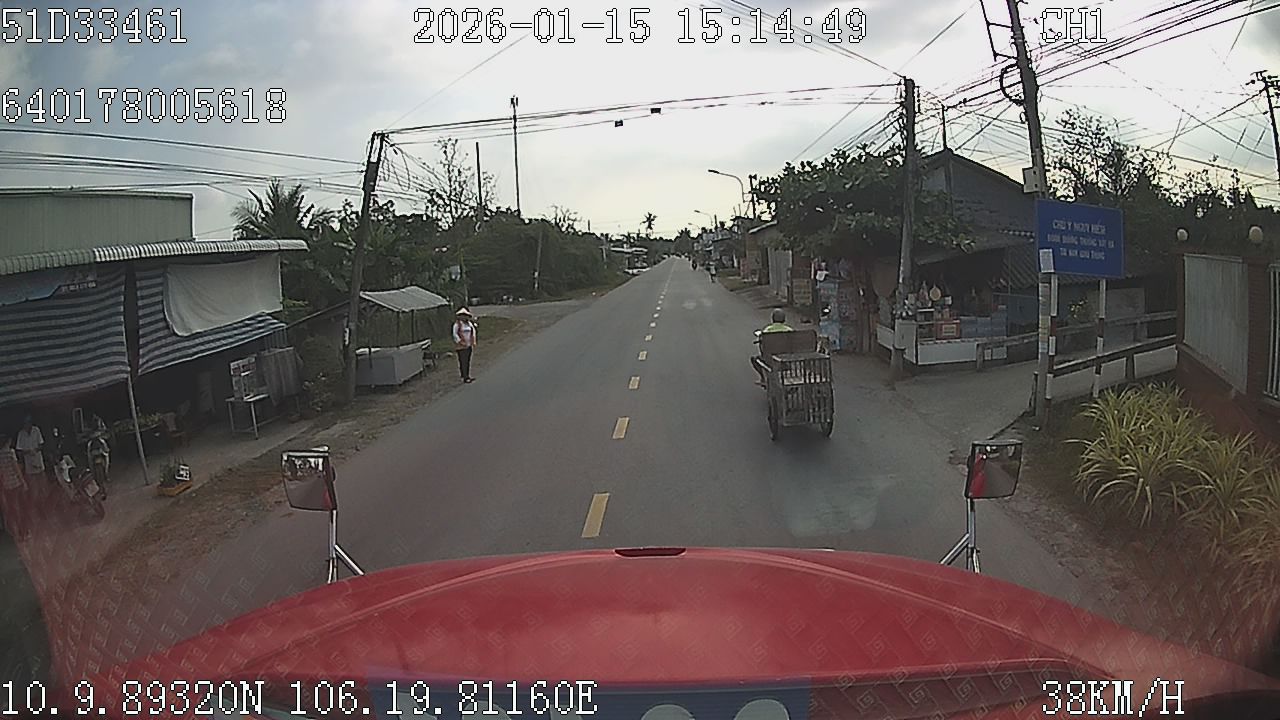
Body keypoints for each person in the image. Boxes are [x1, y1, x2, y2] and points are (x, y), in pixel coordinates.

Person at [452, 308, 478, 384]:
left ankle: (467, 375)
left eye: (465, 315)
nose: (464, 317)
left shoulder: (469, 324)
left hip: (469, 345)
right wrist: (460, 341)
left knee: (468, 361)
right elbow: (455, 334)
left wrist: (473, 341)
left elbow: (473, 332)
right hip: (461, 346)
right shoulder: (457, 324)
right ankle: (465, 377)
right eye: (462, 315)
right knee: (463, 361)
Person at [14, 416, 44, 481]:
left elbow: (41, 445)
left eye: (28, 423)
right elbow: (19, 450)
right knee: (32, 483)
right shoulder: (21, 434)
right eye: (25, 423)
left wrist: (35, 450)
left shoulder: (36, 430)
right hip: (28, 465)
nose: (26, 425)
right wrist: (27, 452)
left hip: (38, 462)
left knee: (42, 481)